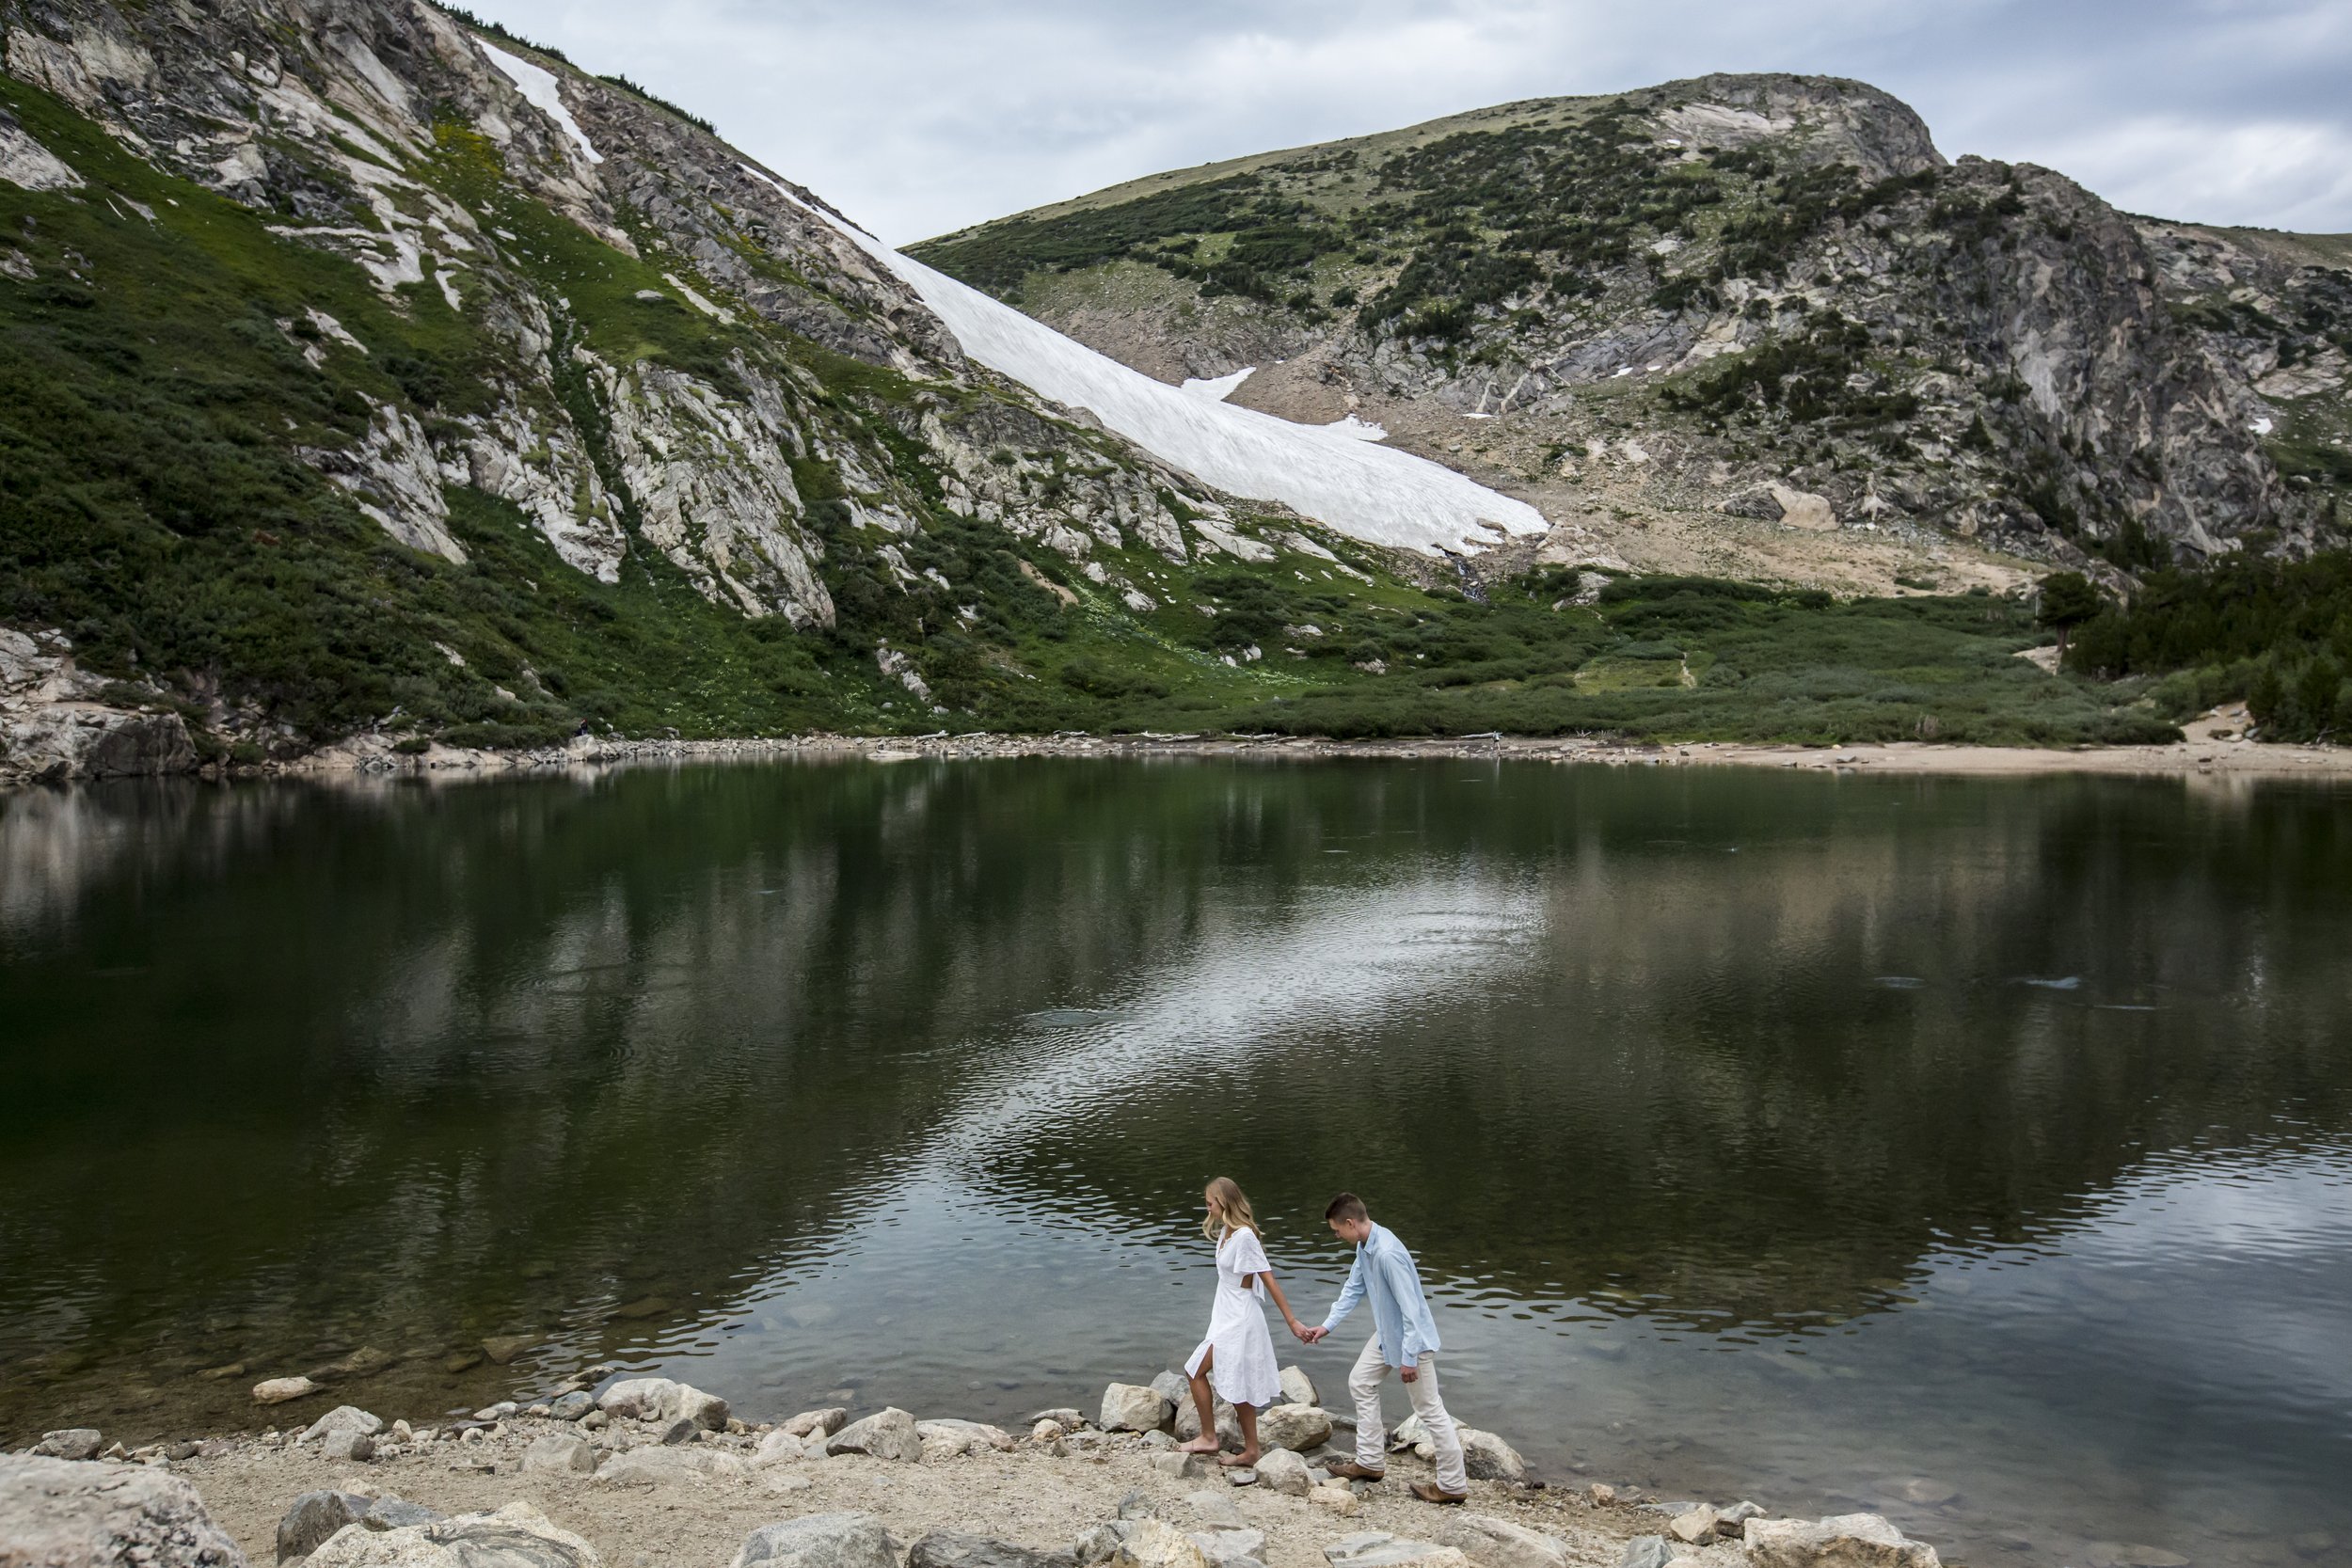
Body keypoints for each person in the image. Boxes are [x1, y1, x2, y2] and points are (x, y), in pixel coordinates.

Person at [1298, 1191, 1466, 1503]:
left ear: (1350, 1223)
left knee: (1429, 1410)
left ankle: (1453, 1485)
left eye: (1336, 1230)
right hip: (1387, 1335)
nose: (1336, 1236)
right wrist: (1327, 1325)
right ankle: (1370, 1462)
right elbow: (1353, 1288)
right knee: (1360, 1381)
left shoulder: (1388, 1253)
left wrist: (1409, 1357)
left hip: (1412, 1342)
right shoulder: (1365, 1245)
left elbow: (1412, 1310)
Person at [1183, 1177, 1312, 1468]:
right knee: (1228, 1380)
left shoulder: (1244, 1237)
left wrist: (1292, 1321)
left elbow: (1267, 1278)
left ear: (1224, 1202)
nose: (1207, 1206)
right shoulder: (1226, 1233)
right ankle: (1248, 1449)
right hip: (1225, 1314)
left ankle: (1210, 1438)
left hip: (1240, 1318)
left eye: (1210, 1201)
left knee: (1195, 1370)